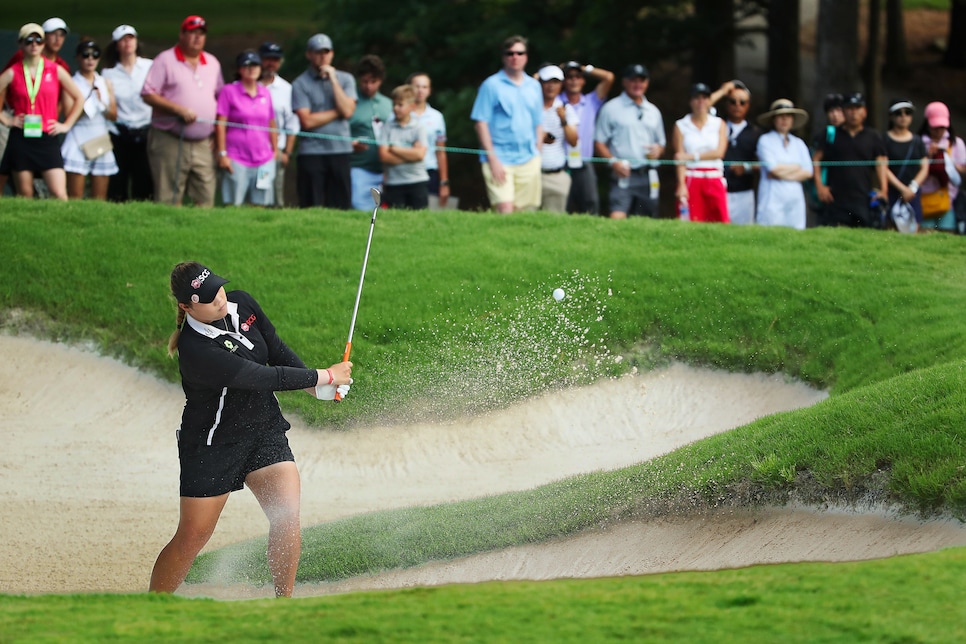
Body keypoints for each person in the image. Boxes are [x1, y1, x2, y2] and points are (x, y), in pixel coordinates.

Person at [150, 261, 352, 599]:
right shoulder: (195, 349)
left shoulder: (242, 303)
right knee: (193, 536)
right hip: (213, 444)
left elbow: (275, 351)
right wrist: (325, 375)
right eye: (206, 297)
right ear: (186, 306)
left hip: (263, 430)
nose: (218, 298)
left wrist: (316, 387)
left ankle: (282, 605)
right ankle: (151, 607)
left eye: (217, 288)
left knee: (286, 517)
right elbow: (259, 376)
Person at [141, 15, 223, 207]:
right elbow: (148, 93)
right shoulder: (165, 60)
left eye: (201, 34)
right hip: (170, 138)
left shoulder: (212, 62)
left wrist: (216, 135)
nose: (197, 38)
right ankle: (169, 234)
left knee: (206, 194)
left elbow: (219, 97)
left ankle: (201, 234)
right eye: (192, 33)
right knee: (169, 196)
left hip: (203, 142)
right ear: (182, 34)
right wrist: (177, 109)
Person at [0, 23, 84, 200]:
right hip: (21, 136)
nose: (34, 44)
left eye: (38, 40)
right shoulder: (13, 72)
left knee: (59, 193)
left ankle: (66, 225)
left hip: (47, 135)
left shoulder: (55, 70)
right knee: (25, 193)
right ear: (20, 44)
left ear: (43, 44)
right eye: (29, 40)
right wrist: (7, 120)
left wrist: (66, 125)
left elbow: (79, 98)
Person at [470, 35, 543, 214]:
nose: (514, 57)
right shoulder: (491, 85)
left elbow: (538, 122)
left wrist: (537, 152)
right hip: (499, 158)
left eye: (519, 53)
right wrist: (492, 158)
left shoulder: (534, 86)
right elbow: (481, 123)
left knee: (525, 211)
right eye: (510, 53)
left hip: (528, 157)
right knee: (504, 208)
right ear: (503, 57)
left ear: (526, 56)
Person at [291, 33, 357, 209]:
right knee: (311, 205)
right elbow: (307, 121)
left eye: (326, 52)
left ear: (332, 54)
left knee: (341, 205)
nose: (322, 56)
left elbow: (348, 112)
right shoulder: (300, 83)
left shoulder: (345, 79)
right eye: (317, 52)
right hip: (312, 152)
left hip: (340, 150)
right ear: (309, 54)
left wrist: (333, 80)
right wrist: (339, 111)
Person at [594, 63, 666, 219]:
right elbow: (599, 142)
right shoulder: (611, 108)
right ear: (625, 82)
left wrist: (658, 150)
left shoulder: (653, 111)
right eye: (633, 80)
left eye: (642, 81)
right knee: (617, 218)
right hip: (623, 174)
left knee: (647, 221)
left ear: (646, 83)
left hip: (648, 174)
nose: (637, 84)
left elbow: (661, 144)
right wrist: (613, 162)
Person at [813, 92, 888, 228]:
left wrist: (884, 190)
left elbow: (881, 163)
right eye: (849, 108)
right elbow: (816, 159)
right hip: (835, 199)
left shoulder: (873, 136)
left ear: (864, 112)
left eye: (857, 108)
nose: (853, 113)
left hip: (862, 198)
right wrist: (820, 186)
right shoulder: (831, 134)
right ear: (844, 111)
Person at [215, 50, 278, 206]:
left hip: (264, 158)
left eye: (255, 65)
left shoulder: (265, 93)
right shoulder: (229, 91)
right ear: (239, 69)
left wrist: (274, 151)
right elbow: (221, 124)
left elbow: (271, 123)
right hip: (236, 156)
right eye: (247, 65)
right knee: (233, 203)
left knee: (261, 203)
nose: (251, 69)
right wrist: (222, 153)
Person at [60, 38, 118, 200]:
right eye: (86, 55)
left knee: (99, 197)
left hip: (100, 137)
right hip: (78, 138)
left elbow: (113, 115)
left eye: (95, 55)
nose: (90, 59)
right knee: (75, 196)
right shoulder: (72, 82)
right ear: (78, 58)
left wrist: (101, 103)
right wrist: (86, 102)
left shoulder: (105, 82)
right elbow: (68, 114)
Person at [103, 25, 154, 202]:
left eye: (131, 38)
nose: (128, 42)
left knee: (144, 179)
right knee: (118, 180)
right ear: (116, 45)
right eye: (123, 39)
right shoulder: (108, 73)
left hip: (145, 129)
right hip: (120, 131)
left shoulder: (149, 66)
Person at [560, 60, 614, 215]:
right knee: (563, 205)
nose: (574, 80)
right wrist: (558, 69)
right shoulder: (556, 101)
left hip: (585, 162)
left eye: (578, 76)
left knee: (590, 205)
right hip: (562, 161)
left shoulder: (591, 101)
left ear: (583, 80)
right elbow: (536, 81)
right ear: (563, 80)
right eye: (569, 77)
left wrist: (584, 69)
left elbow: (608, 77)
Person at [672, 82, 729, 223]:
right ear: (691, 101)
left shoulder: (718, 123)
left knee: (720, 221)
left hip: (714, 176)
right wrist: (681, 184)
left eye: (704, 98)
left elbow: (719, 152)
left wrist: (691, 156)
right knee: (691, 221)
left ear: (709, 101)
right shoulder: (681, 125)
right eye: (696, 98)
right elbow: (680, 157)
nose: (700, 102)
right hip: (692, 176)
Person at [754, 99, 813, 229]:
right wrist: (796, 167)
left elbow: (808, 171)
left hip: (795, 198)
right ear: (774, 119)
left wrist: (780, 173)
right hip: (772, 198)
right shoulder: (765, 140)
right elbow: (772, 168)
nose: (784, 120)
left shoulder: (799, 143)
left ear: (792, 120)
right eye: (781, 116)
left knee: (796, 236)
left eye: (788, 116)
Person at [258, 41, 300, 208]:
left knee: (275, 196)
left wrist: (287, 152)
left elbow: (292, 123)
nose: (271, 63)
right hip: (250, 148)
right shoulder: (249, 85)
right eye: (267, 59)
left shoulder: (286, 89)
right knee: (255, 195)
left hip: (276, 150)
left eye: (275, 59)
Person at [712, 79, 759, 225]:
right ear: (726, 104)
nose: (737, 106)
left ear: (748, 105)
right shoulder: (715, 126)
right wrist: (722, 90)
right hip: (718, 189)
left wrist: (746, 167)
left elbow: (765, 163)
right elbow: (701, 106)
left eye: (742, 102)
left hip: (744, 193)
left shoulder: (755, 133)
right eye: (733, 101)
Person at [348, 55, 392, 210]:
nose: (368, 86)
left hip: (386, 169)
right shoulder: (351, 103)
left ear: (380, 80)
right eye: (365, 81)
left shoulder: (389, 105)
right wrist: (350, 144)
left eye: (373, 82)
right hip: (359, 167)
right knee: (359, 207)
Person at [377, 84, 429, 210]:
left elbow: (420, 155)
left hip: (418, 181)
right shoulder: (387, 128)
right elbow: (383, 156)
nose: (395, 108)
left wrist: (394, 149)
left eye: (400, 105)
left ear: (412, 106)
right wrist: (411, 153)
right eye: (394, 104)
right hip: (394, 183)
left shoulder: (419, 128)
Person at [917, 101, 966, 233]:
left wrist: (947, 161)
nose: (938, 131)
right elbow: (914, 170)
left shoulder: (956, 143)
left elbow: (962, 170)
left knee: (947, 236)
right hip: (925, 200)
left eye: (942, 127)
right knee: (924, 237)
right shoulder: (918, 142)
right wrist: (928, 156)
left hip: (948, 201)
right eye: (934, 127)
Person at [536, 64, 578, 213]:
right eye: (547, 81)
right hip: (531, 173)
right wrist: (539, 136)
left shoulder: (566, 109)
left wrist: (564, 120)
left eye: (555, 82)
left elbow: (573, 141)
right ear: (540, 83)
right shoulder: (530, 106)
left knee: (553, 225)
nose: (551, 86)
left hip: (556, 175)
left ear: (561, 84)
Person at [883, 99, 927, 232]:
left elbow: (924, 167)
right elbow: (882, 167)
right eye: (898, 113)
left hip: (912, 194)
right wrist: (901, 188)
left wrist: (912, 187)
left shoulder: (917, 141)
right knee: (891, 230)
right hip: (892, 192)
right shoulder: (884, 139)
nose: (903, 116)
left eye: (907, 113)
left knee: (914, 230)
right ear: (891, 116)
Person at [407, 72, 450, 208]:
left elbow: (441, 150)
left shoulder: (437, 117)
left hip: (429, 172)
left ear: (429, 90)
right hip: (404, 170)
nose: (420, 90)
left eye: (424, 87)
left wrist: (444, 182)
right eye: (417, 86)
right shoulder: (399, 114)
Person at [807, 93, 846, 226]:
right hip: (826, 191)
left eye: (839, 110)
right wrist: (819, 186)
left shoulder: (854, 135)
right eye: (831, 111)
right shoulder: (824, 135)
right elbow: (814, 160)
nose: (835, 115)